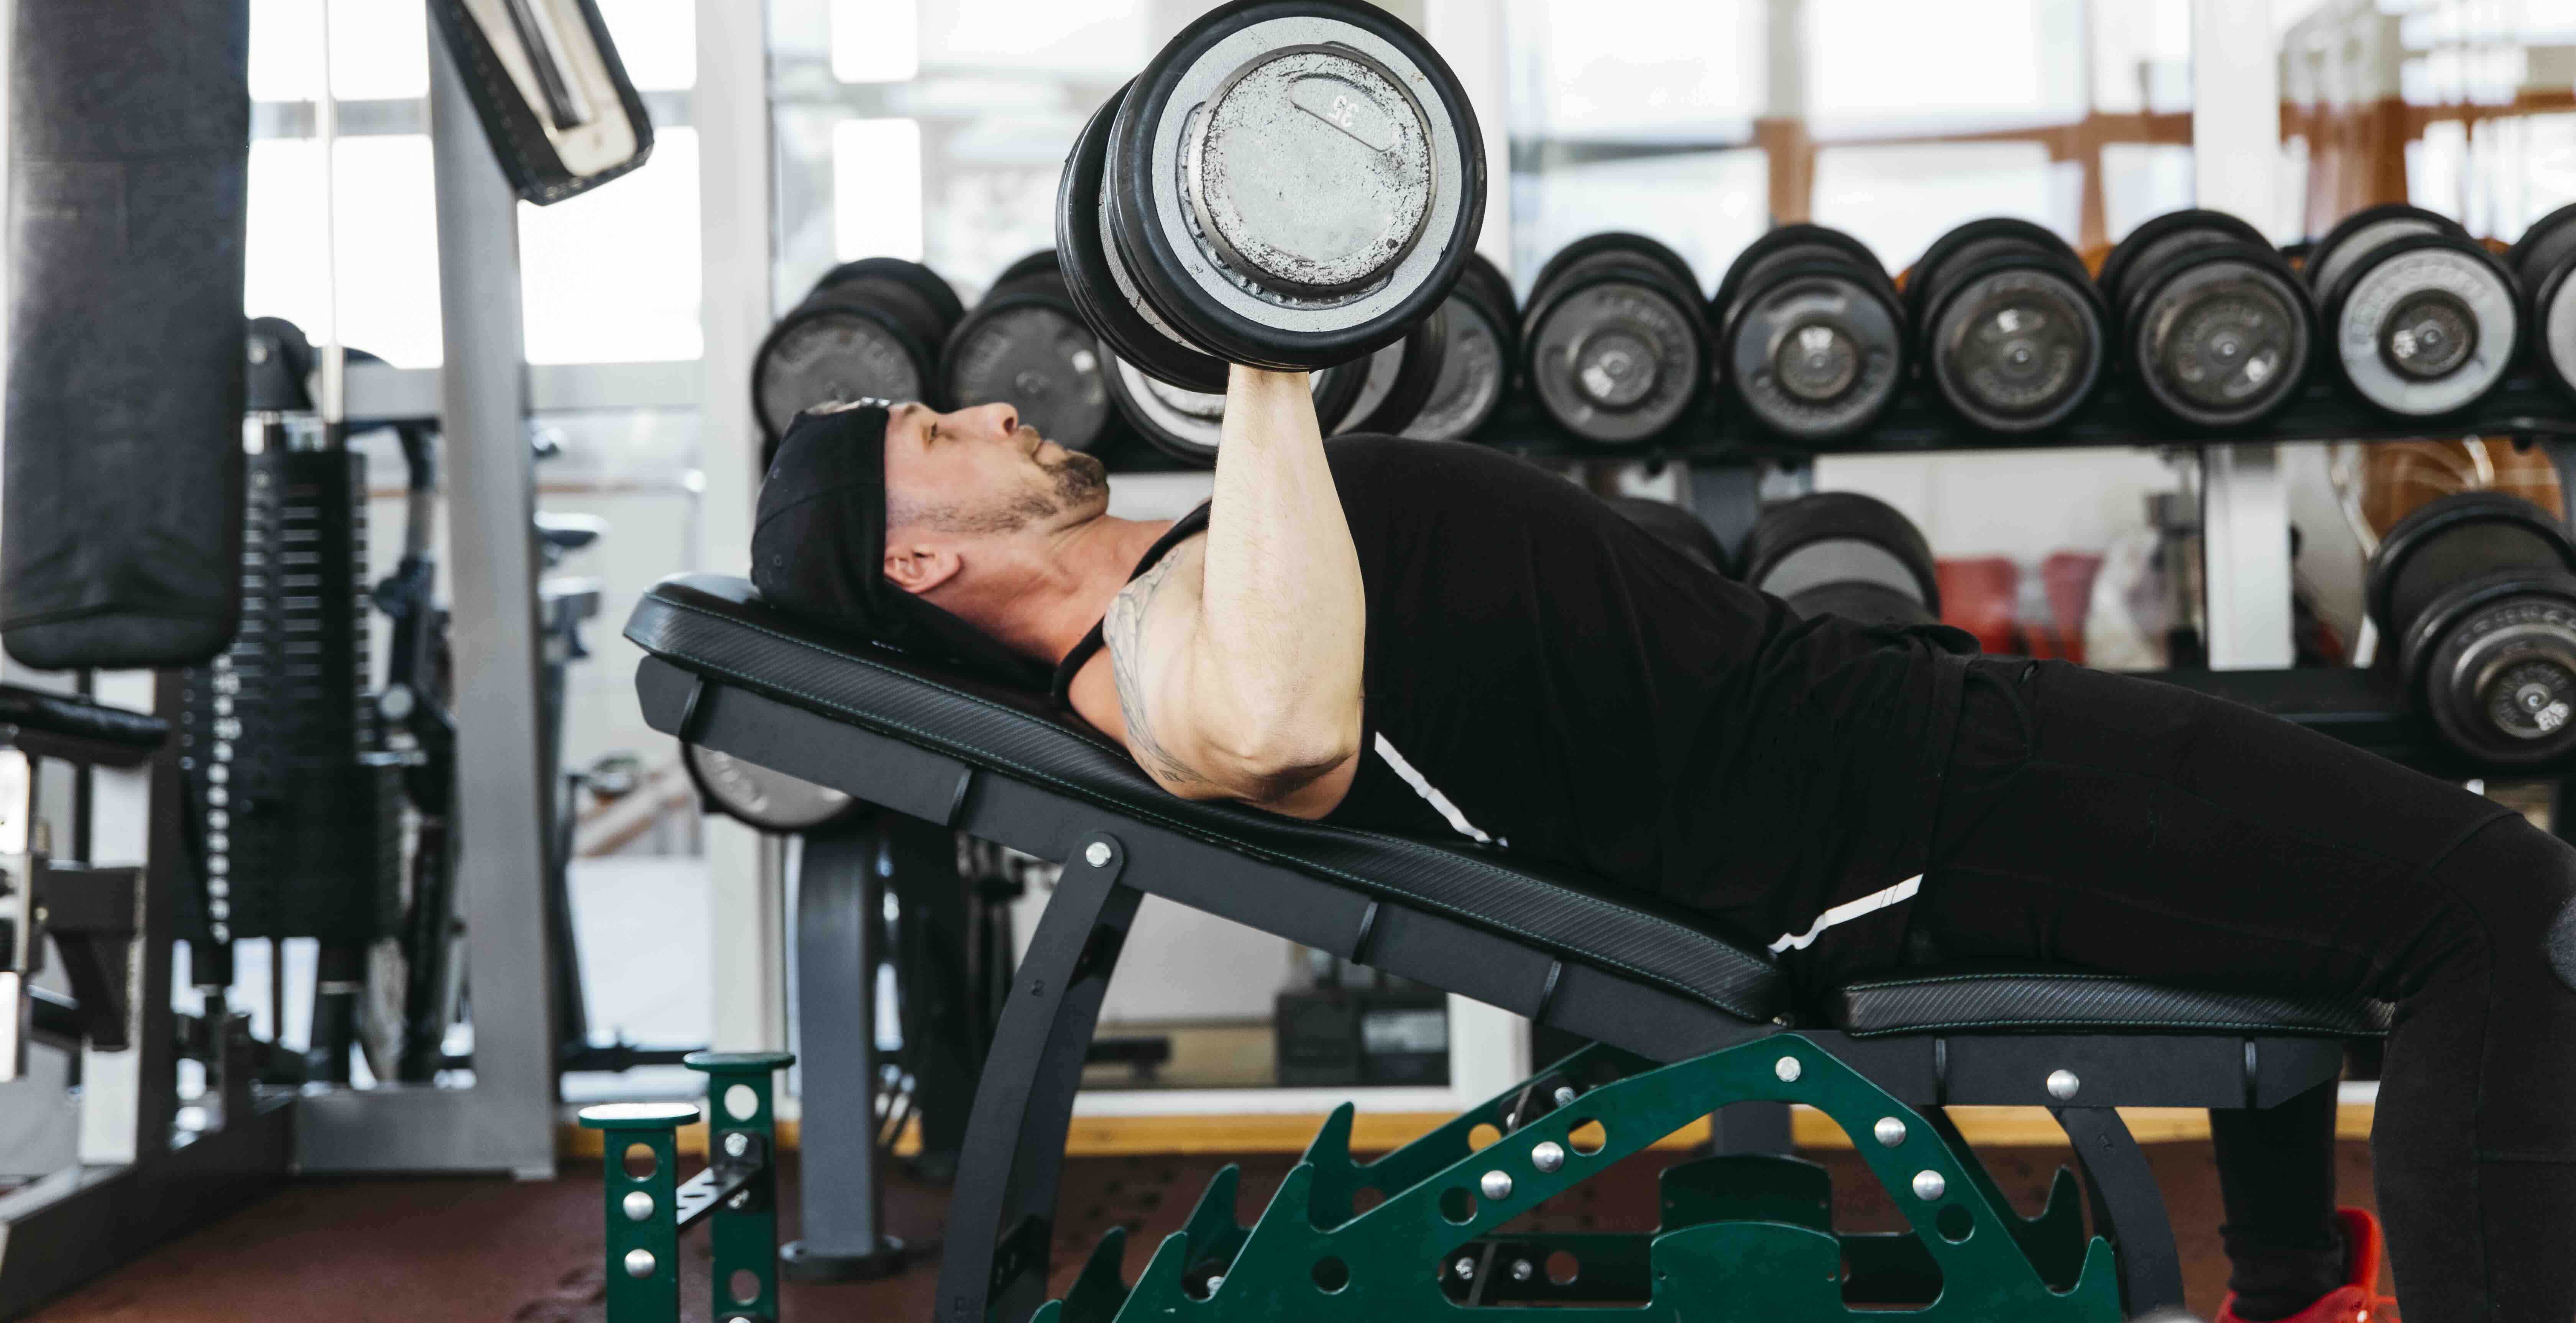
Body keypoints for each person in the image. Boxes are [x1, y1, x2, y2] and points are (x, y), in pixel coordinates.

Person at [749, 374, 2576, 1323]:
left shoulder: (1189, 568)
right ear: (917, 565)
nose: (989, 408)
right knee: (2491, 909)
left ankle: (2287, 1296)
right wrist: (1263, 358)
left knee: (2362, 912)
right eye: (932, 429)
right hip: (1898, 828)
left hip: (1913, 744)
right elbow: (1281, 728)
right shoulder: (1141, 666)